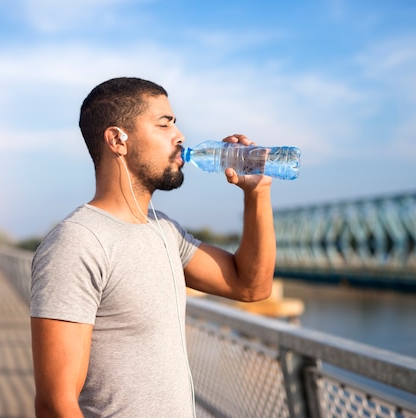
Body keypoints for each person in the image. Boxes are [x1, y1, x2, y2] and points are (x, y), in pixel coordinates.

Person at [30, 77, 276, 417]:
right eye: (164, 124)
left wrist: (257, 193)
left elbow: (251, 285)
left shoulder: (165, 231)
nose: (180, 136)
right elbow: (55, 404)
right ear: (118, 139)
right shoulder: (77, 242)